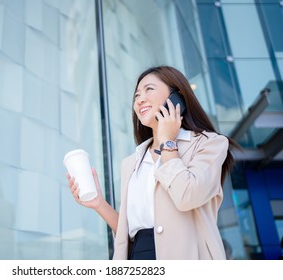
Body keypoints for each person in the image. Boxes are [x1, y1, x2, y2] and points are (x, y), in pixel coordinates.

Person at [66, 65, 237, 260]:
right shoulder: (132, 162)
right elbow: (129, 235)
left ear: (177, 97)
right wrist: (98, 203)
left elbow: (187, 196)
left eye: (149, 89)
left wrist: (168, 143)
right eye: (136, 95)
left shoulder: (210, 144)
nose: (140, 99)